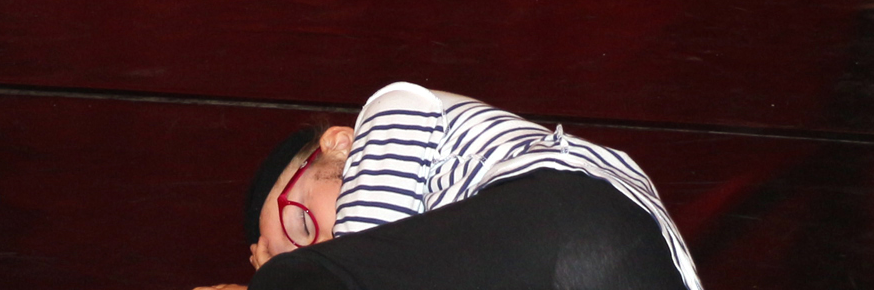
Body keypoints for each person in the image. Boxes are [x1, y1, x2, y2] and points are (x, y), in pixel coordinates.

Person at [196, 81, 700, 289]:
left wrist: (282, 276)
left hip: (570, 210)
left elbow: (358, 254)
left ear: (337, 144)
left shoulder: (391, 109)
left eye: (303, 224)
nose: (325, 241)